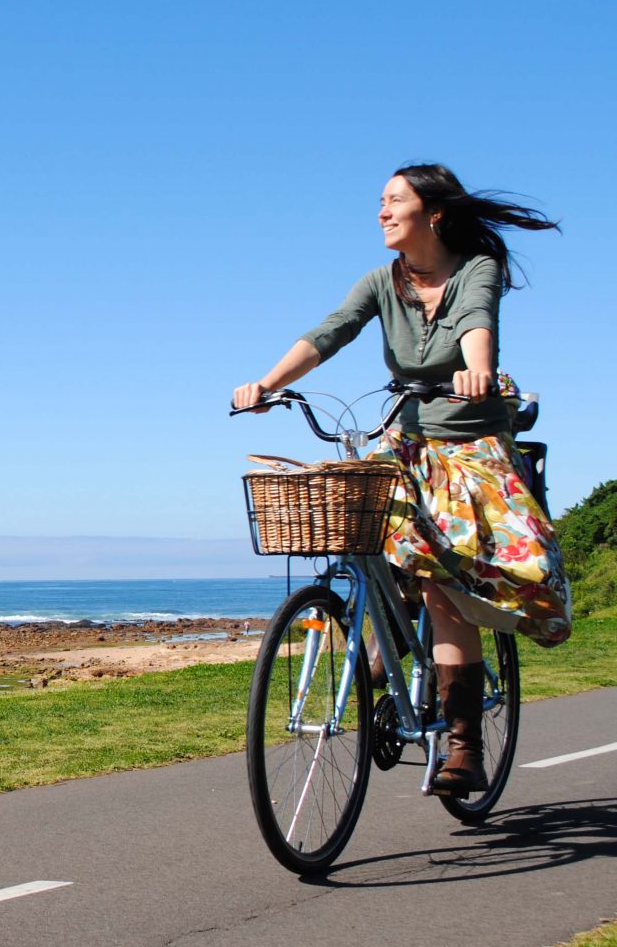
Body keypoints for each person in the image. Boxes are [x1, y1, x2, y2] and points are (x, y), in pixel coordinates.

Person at [232, 163, 571, 796]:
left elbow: (476, 325)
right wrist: (268, 384)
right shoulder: (379, 281)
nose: (383, 212)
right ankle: (387, 641)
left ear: (433, 213)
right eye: (381, 202)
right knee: (361, 523)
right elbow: (330, 332)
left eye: (395, 201)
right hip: (408, 440)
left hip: (470, 445)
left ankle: (464, 745)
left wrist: (477, 371)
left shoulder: (475, 269)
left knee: (444, 585)